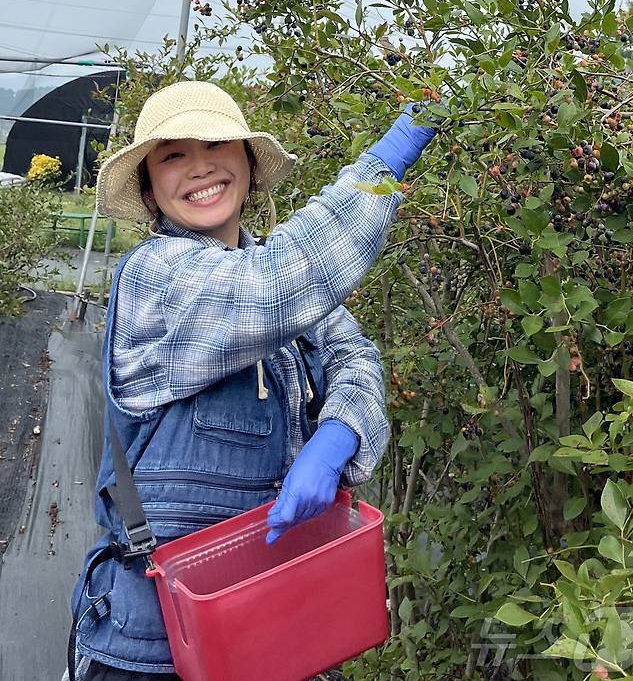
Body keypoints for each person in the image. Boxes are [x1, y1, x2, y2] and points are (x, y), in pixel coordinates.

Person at [68, 79, 437, 680]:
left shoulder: (277, 278)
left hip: (278, 629)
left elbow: (356, 357)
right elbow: (270, 292)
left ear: (247, 164)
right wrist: (382, 165)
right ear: (149, 187)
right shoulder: (156, 278)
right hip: (160, 649)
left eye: (217, 145)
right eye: (173, 155)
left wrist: (340, 432)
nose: (200, 167)